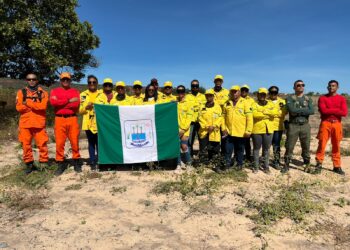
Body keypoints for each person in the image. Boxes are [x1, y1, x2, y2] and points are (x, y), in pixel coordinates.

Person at [16, 73, 49, 174]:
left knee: (42, 144)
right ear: (27, 80)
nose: (31, 81)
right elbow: (19, 107)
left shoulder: (43, 93)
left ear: (37, 80)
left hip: (39, 123)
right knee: (26, 145)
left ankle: (43, 164)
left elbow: (43, 107)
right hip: (25, 124)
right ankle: (29, 164)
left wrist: (28, 103)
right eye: (29, 79)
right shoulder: (21, 92)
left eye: (33, 79)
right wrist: (35, 105)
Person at [50, 72, 81, 175]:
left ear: (70, 80)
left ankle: (76, 161)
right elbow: (53, 103)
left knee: (75, 142)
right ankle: (60, 162)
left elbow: (75, 104)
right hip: (59, 119)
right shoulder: (54, 91)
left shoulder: (75, 91)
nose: (65, 81)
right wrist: (68, 100)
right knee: (59, 143)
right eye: (63, 79)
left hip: (72, 118)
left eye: (67, 79)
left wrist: (61, 103)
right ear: (60, 80)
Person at [314, 80, 348, 175]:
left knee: (336, 145)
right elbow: (324, 111)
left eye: (333, 86)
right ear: (327, 87)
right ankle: (319, 164)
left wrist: (330, 110)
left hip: (337, 124)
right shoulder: (322, 98)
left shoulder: (341, 98)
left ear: (337, 87)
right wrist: (337, 110)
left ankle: (337, 166)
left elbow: (344, 113)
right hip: (325, 123)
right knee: (322, 144)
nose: (331, 87)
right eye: (329, 86)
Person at [282, 80, 314, 173]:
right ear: (294, 87)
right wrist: (304, 110)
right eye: (298, 85)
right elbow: (292, 110)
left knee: (306, 145)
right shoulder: (289, 98)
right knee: (289, 145)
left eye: (302, 85)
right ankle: (286, 165)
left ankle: (307, 164)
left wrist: (298, 111)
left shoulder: (308, 98)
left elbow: (311, 111)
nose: (301, 86)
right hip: (293, 125)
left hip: (305, 125)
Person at [222, 85, 253, 171]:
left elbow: (249, 118)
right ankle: (227, 166)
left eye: (235, 91)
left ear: (239, 92)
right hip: (229, 132)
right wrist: (223, 128)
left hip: (241, 132)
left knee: (240, 150)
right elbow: (223, 117)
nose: (234, 93)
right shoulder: (227, 103)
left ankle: (239, 165)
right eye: (232, 91)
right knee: (228, 150)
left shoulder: (245, 103)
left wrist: (248, 130)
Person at [251, 88, 278, 173]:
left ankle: (266, 167)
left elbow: (275, 113)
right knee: (256, 149)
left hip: (268, 129)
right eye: (260, 94)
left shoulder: (270, 103)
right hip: (257, 130)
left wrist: (263, 112)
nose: (262, 96)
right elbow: (254, 115)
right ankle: (256, 167)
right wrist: (267, 114)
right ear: (258, 95)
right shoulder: (253, 104)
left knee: (266, 149)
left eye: (264, 94)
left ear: (266, 95)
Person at [198, 89, 223, 172]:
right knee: (203, 149)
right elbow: (200, 117)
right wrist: (207, 126)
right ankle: (201, 166)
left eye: (210, 95)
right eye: (207, 95)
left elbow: (220, 118)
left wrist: (214, 126)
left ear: (213, 96)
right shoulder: (202, 106)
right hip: (204, 131)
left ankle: (216, 165)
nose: (209, 97)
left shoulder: (218, 107)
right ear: (205, 96)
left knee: (215, 149)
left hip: (214, 131)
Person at [79, 75, 101, 170]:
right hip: (88, 123)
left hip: (99, 123)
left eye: (93, 82)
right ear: (87, 83)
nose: (92, 84)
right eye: (89, 82)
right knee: (91, 143)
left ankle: (100, 161)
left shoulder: (101, 94)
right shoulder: (82, 95)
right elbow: (79, 110)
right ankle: (92, 161)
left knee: (99, 143)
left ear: (97, 83)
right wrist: (85, 108)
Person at [268, 86, 287, 170]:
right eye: (271, 92)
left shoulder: (282, 102)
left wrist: (271, 113)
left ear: (277, 93)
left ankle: (276, 161)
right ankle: (265, 161)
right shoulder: (266, 101)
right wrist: (276, 113)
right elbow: (264, 112)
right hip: (267, 127)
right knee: (266, 146)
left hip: (278, 127)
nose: (273, 94)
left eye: (275, 92)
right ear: (269, 93)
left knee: (276, 145)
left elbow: (283, 113)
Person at [186, 79, 206, 157]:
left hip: (201, 122)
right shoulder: (187, 97)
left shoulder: (203, 96)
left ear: (198, 86)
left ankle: (202, 156)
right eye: (193, 86)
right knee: (190, 140)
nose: (195, 87)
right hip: (191, 122)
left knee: (202, 140)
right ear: (191, 87)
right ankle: (189, 157)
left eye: (196, 86)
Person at [176, 85, 194, 170]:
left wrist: (183, 129)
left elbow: (189, 118)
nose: (180, 93)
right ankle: (179, 164)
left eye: (182, 91)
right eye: (178, 91)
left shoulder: (189, 103)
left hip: (185, 129)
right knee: (176, 147)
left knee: (184, 146)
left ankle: (189, 164)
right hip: (175, 128)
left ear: (185, 92)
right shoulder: (175, 102)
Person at [212, 74, 229, 157]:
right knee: (214, 139)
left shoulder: (227, 92)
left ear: (222, 82)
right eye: (217, 80)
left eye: (220, 80)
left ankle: (223, 157)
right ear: (214, 81)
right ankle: (214, 156)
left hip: (224, 118)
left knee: (224, 138)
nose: (218, 82)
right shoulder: (210, 91)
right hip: (213, 119)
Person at [240, 84, 255, 163]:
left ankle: (248, 157)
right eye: (243, 90)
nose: (244, 91)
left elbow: (252, 112)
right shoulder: (237, 99)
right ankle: (239, 157)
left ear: (248, 91)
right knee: (239, 142)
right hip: (239, 124)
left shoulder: (251, 100)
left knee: (247, 142)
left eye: (246, 90)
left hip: (248, 124)